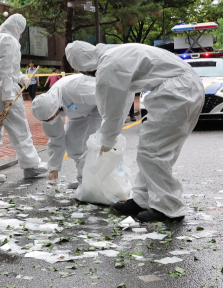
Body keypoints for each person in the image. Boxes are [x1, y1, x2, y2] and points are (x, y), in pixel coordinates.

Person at [65, 41, 204, 222]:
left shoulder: (109, 63)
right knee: (153, 151)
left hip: (177, 91)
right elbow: (124, 100)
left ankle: (169, 208)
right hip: (185, 87)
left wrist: (107, 139)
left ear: (81, 63)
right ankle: (142, 199)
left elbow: (112, 107)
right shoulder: (116, 52)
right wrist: (110, 135)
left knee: (152, 152)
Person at [0, 14, 48, 184]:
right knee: (19, 128)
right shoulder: (9, 41)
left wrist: (22, 77)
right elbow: (4, 69)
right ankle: (31, 166)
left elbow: (7, 70)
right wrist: (8, 95)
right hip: (2, 91)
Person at [31, 74, 102, 188]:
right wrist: (53, 168)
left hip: (100, 107)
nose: (50, 121)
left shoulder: (77, 89)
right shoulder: (45, 109)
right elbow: (56, 137)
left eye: (51, 118)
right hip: (78, 112)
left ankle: (96, 183)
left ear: (56, 108)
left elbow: (106, 95)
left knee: (92, 144)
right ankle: (83, 181)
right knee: (73, 146)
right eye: (47, 120)